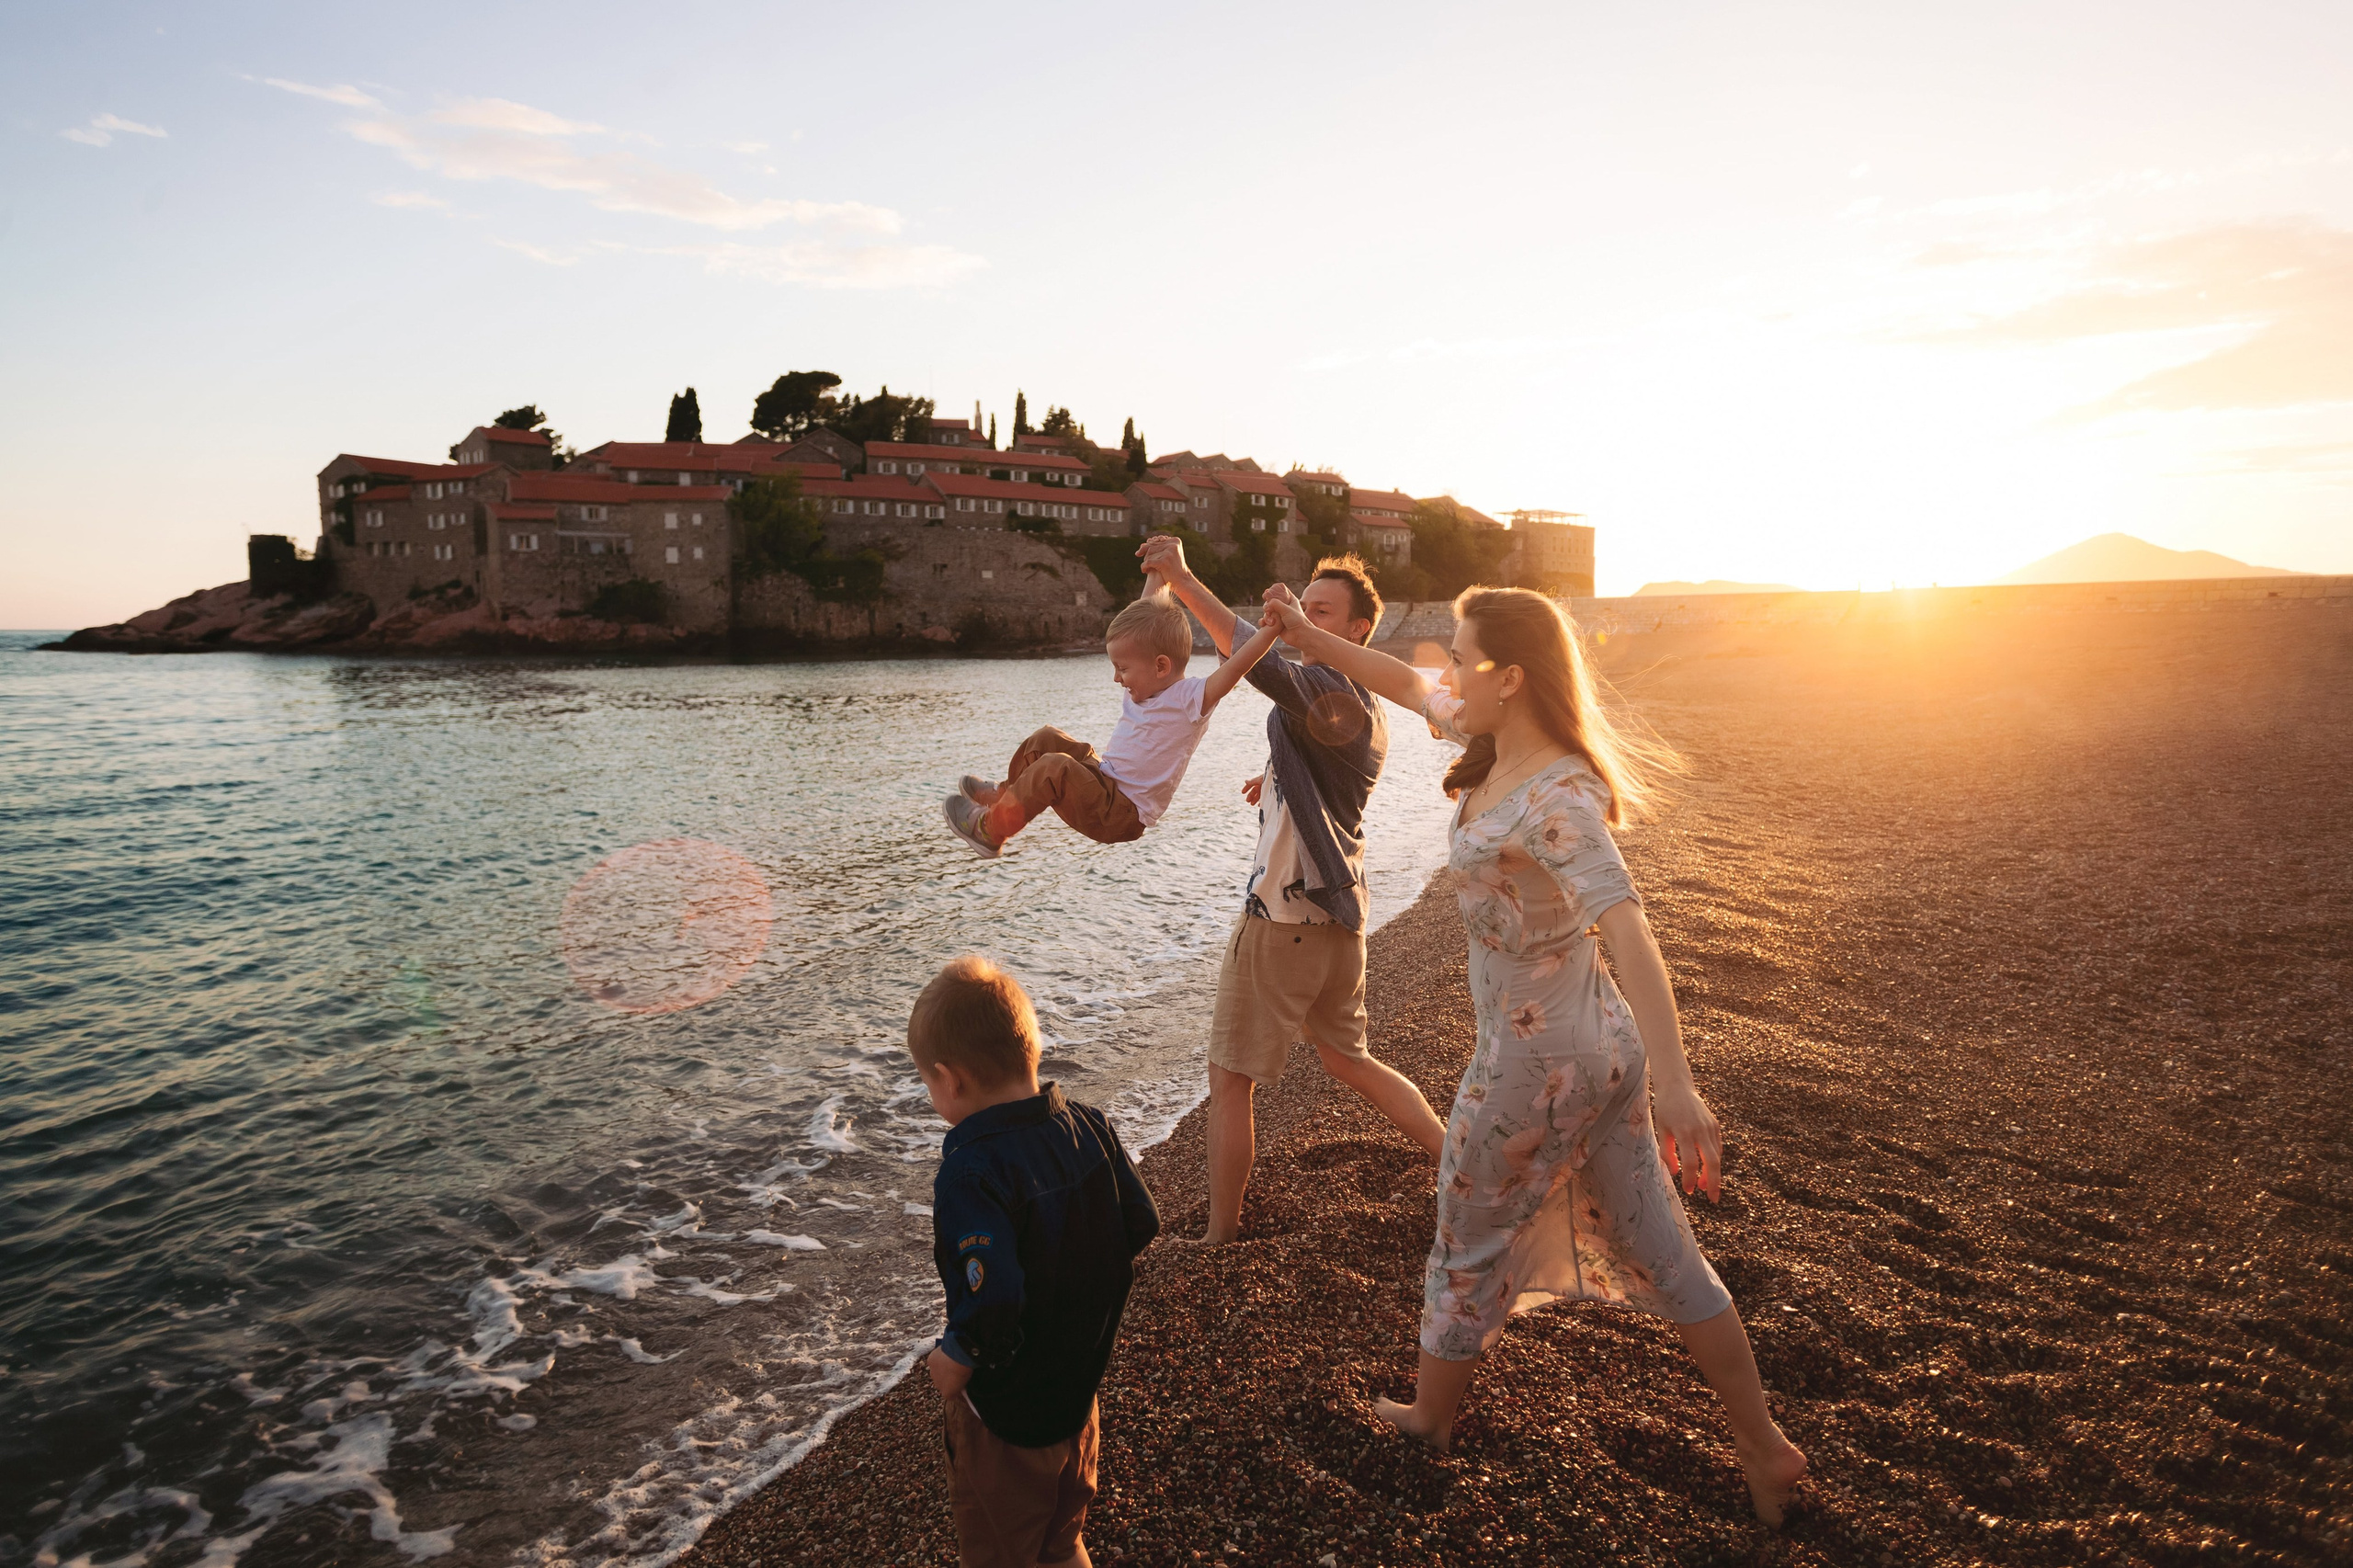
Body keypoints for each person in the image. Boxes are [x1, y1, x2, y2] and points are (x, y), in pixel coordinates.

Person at [1258, 585, 1809, 1526]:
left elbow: (1628, 927)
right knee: (1666, 1249)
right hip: (1600, 1052)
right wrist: (1309, 638)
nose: (1445, 668)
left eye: (1463, 656)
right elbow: (1401, 679)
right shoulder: (1502, 749)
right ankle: (1766, 1449)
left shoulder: (1552, 797)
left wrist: (1682, 1084)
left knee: (1463, 1239)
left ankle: (1429, 1419)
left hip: (1532, 1069)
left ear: (1510, 678)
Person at [1137, 536, 1446, 1245]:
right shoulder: (1361, 706)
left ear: (1359, 631)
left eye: (1323, 612)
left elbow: (1259, 662)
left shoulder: (1331, 687)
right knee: (1350, 1060)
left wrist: (1182, 577)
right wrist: (1273, 781)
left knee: (1228, 1081)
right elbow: (1319, 774)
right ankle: (1455, 1158)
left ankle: (1218, 1236)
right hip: (1341, 916)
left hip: (1285, 919)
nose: (1303, 618)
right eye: (1303, 604)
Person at [914, 955, 1162, 1567]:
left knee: (1003, 1551)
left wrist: (958, 1355)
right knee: (1061, 1536)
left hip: (1006, 1416)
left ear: (949, 1081)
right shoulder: (1089, 1125)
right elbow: (1141, 1221)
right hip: (1076, 1396)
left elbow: (993, 1297)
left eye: (927, 1082)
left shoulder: (970, 1174)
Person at [942, 582, 1280, 858]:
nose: (1117, 678)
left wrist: (1269, 632)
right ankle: (1005, 795)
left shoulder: (1190, 699)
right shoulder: (1144, 684)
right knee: (1048, 739)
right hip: (1105, 782)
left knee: (1054, 766)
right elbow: (1142, 613)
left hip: (1121, 814)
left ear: (1160, 666)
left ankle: (990, 830)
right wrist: (1156, 572)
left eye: (1122, 669)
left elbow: (1235, 668)